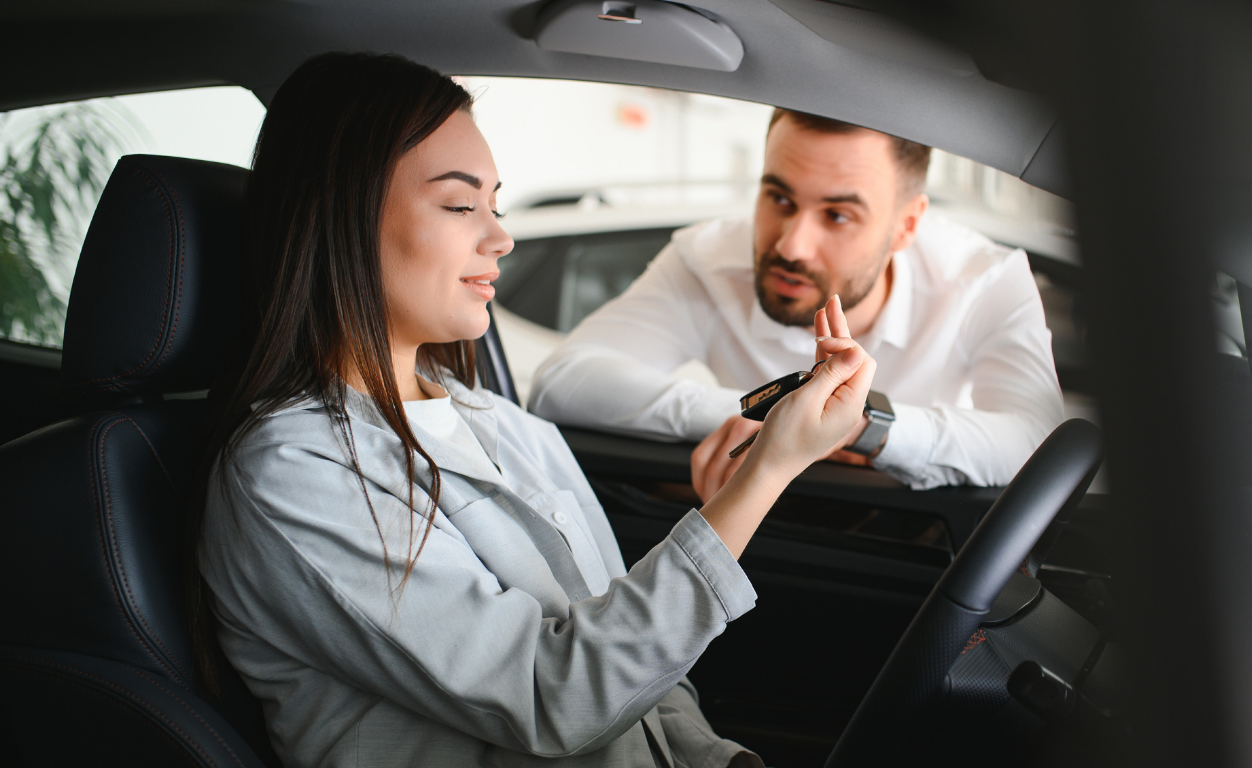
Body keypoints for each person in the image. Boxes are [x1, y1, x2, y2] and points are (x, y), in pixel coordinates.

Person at [189, 52, 876, 768]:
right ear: (344, 217)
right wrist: (765, 472)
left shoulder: (505, 423)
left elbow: (635, 657)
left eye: (497, 205)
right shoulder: (292, 472)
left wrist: (712, 759)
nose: (501, 238)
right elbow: (559, 696)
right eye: (461, 206)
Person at [528, 110, 1064, 501]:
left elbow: (1038, 442)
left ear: (906, 225)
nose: (790, 246)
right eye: (779, 199)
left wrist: (859, 427)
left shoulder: (984, 280)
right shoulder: (707, 261)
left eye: (837, 215)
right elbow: (563, 382)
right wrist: (766, 414)